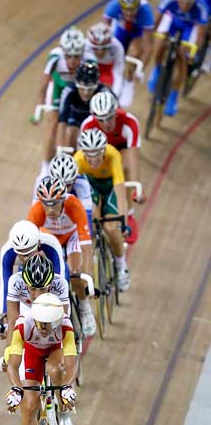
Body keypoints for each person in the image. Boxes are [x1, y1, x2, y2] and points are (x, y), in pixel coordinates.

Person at [5, 293, 78, 425]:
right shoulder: (23, 325)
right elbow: (13, 365)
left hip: (55, 351)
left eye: (48, 325)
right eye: (41, 323)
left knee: (57, 371)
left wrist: (67, 386)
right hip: (33, 354)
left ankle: (63, 415)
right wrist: (16, 389)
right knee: (29, 408)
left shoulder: (65, 326)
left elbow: (72, 364)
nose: (44, 329)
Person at [27, 176, 96, 337]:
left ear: (63, 200)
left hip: (71, 238)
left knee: (75, 273)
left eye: (54, 203)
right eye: (46, 203)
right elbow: (30, 248)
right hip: (49, 240)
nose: (50, 209)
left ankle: (84, 307)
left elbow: (86, 247)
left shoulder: (74, 205)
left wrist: (87, 279)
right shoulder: (37, 209)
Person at [81, 90, 145, 244]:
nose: (106, 124)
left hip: (121, 150)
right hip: (100, 154)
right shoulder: (88, 125)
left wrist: (137, 189)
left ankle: (128, 213)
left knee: (125, 167)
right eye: (101, 120)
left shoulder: (129, 122)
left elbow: (134, 158)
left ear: (115, 112)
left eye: (109, 118)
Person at [74, 128, 131, 291]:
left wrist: (123, 221)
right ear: (83, 152)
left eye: (96, 154)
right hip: (91, 187)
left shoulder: (113, 156)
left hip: (110, 187)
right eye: (88, 155)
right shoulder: (77, 160)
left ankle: (121, 268)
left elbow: (120, 192)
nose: (92, 159)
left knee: (112, 228)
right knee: (92, 218)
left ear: (103, 151)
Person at [31, 26, 86, 178]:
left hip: (76, 91)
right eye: (68, 56)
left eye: (77, 56)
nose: (73, 61)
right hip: (58, 89)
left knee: (76, 128)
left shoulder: (89, 60)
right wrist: (40, 106)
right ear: (63, 52)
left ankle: (74, 164)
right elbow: (43, 84)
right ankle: (45, 167)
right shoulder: (55, 57)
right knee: (52, 124)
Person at [0, 220, 66, 337]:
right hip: (27, 273)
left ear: (38, 243)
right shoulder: (7, 252)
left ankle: (82, 311)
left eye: (29, 252)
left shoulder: (51, 244)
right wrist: (5, 315)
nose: (25, 258)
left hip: (50, 270)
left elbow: (59, 279)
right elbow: (5, 283)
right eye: (20, 253)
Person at [147, 0, 208, 116]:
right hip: (172, 22)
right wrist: (152, 37)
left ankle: (173, 98)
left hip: (189, 28)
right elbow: (155, 23)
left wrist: (192, 51)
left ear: (194, 1)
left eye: (189, 2)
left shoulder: (202, 9)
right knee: (159, 45)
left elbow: (200, 37)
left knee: (182, 59)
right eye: (182, 1)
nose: (185, 5)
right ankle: (157, 70)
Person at [104, 0, 155, 106]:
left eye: (133, 9)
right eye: (126, 9)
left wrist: (140, 69)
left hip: (136, 32)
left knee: (135, 53)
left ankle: (129, 81)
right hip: (121, 31)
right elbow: (105, 31)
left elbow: (148, 47)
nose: (129, 13)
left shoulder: (146, 12)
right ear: (120, 5)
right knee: (112, 54)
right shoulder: (113, 6)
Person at [57, 60, 113, 152]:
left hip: (96, 120)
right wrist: (60, 149)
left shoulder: (104, 93)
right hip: (76, 116)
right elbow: (62, 121)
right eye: (82, 89)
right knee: (70, 134)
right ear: (76, 84)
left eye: (90, 89)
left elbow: (111, 122)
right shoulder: (68, 91)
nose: (86, 93)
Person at [48, 153, 93, 235]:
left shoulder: (82, 184)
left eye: (67, 185)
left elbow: (87, 216)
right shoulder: (42, 185)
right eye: (58, 185)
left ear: (74, 180)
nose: (62, 190)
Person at [84, 21, 126, 100]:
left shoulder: (117, 47)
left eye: (104, 48)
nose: (100, 52)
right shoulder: (84, 45)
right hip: (90, 69)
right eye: (96, 48)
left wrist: (115, 95)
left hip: (108, 71)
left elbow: (118, 74)